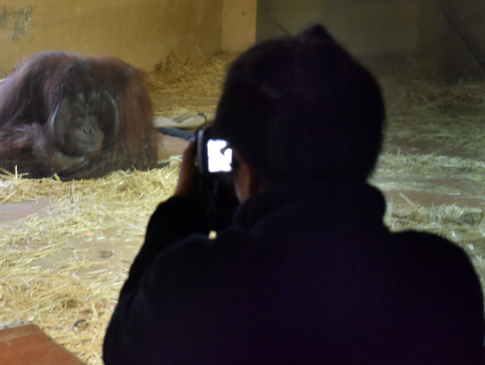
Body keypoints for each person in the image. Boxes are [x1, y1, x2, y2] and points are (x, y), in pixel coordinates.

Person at [103, 24, 485, 364]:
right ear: (366, 153)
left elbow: (122, 349)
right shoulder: (441, 277)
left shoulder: (197, 285)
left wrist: (182, 211)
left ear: (246, 173)